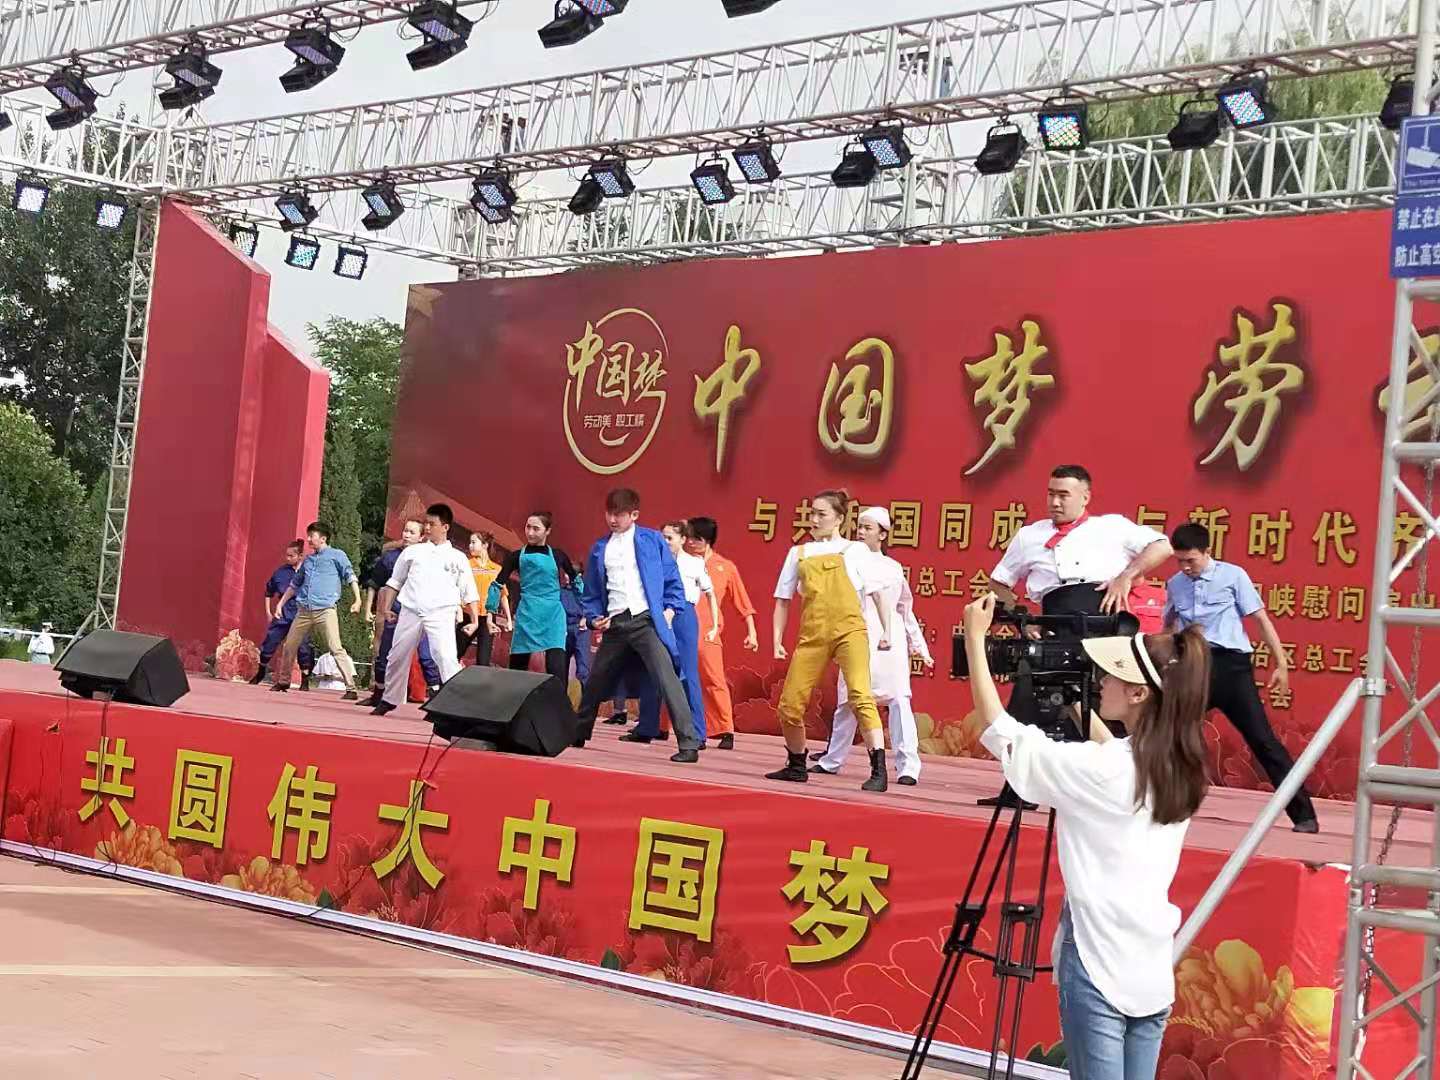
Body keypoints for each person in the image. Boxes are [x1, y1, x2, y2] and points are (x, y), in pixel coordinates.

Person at [963, 591, 1211, 1080]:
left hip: (1098, 959)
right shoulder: (1179, 765)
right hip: (1148, 964)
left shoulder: (1106, 771)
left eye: (1114, 674)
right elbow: (1115, 760)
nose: (1101, 680)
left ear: (1139, 694)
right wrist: (1077, 707)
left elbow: (1001, 732)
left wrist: (975, 640)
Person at [1166, 523, 1319, 833]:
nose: (1185, 567)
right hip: (1193, 666)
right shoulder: (1175, 584)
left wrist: (1281, 663)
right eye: (1179, 561)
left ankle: (1304, 815)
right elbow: (1169, 627)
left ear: (1207, 552)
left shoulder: (1233, 576)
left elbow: (1260, 619)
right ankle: (1166, 806)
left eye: (1191, 560)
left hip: (1232, 669)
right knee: (1170, 736)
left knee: (1263, 741)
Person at [766, 489, 891, 792]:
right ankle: (797, 764)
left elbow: (877, 594)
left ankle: (879, 769)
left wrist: (887, 630)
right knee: (789, 705)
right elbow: (783, 599)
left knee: (860, 695)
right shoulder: (799, 553)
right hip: (813, 635)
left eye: (821, 514)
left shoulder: (855, 550)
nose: (814, 519)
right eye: (812, 513)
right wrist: (777, 639)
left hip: (850, 631)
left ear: (839, 519)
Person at [575, 488, 703, 763]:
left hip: (645, 620)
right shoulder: (600, 548)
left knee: (667, 678)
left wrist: (670, 610)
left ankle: (689, 743)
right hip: (615, 623)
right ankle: (578, 732)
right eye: (609, 513)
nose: (613, 519)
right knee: (596, 680)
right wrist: (594, 616)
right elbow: (592, 592)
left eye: (619, 514)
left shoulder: (652, 540)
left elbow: (671, 578)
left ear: (634, 514)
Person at [811, 506, 933, 785]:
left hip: (890, 641)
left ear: (882, 534)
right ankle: (832, 760)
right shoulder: (848, 561)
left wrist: (920, 646)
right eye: (860, 527)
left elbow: (905, 609)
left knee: (899, 701)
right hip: (857, 634)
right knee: (848, 701)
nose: (861, 532)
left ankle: (908, 766)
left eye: (868, 528)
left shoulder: (893, 567)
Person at [990, 465, 1172, 617]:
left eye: (1063, 495)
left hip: (1108, 622)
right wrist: (1024, 620)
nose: (1055, 502)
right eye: (1051, 494)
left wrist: (1125, 577)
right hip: (1054, 623)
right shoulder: (1029, 535)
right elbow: (998, 582)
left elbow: (1162, 546)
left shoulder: (1112, 525)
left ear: (1085, 498)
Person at [372, 503, 481, 716]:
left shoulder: (457, 557)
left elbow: (469, 591)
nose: (428, 528)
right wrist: (386, 608)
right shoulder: (412, 552)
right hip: (411, 609)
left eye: (432, 524)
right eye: (426, 523)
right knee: (397, 654)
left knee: (445, 657)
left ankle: (453, 704)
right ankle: (390, 698)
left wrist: (475, 620)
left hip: (442, 612)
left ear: (445, 527)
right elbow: (395, 581)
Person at [626, 522, 718, 744]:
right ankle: (647, 727)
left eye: (670, 538)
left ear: (683, 539)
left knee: (687, 674)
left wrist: (715, 626)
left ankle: (697, 733)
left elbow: (710, 593)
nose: (666, 542)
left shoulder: (694, 563)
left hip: (683, 617)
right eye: (663, 537)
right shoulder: (653, 561)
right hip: (657, 615)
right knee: (651, 670)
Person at [685, 516, 760, 750]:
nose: (689, 542)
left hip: (709, 630)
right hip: (682, 627)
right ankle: (666, 725)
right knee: (677, 677)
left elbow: (742, 602)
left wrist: (752, 632)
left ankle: (725, 729)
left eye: (694, 538)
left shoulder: (725, 567)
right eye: (687, 538)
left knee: (714, 679)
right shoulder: (682, 563)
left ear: (705, 540)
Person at [270, 522, 363, 699]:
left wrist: (357, 599)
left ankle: (351, 688)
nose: (309, 539)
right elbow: (294, 585)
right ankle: (283, 681)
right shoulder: (308, 561)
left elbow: (351, 576)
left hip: (325, 610)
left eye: (312, 536)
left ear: (323, 538)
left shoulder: (337, 556)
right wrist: (280, 604)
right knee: (290, 645)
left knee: (335, 647)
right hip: (304, 610)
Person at [358, 519, 441, 708]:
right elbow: (375, 583)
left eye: (412, 532)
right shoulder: (390, 557)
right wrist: (368, 608)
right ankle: (378, 694)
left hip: (420, 613)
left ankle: (436, 698)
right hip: (395, 612)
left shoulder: (431, 557)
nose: (406, 535)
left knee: (426, 657)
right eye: (405, 531)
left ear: (422, 537)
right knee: (384, 655)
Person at [494, 512, 579, 682]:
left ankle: (557, 700)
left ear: (548, 531)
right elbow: (498, 584)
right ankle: (514, 699)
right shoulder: (516, 556)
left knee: (556, 669)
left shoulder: (559, 555)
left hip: (553, 616)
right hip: (527, 614)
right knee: (517, 668)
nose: (530, 532)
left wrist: (590, 611)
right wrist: (490, 613)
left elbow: (577, 583)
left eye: (536, 528)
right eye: (528, 527)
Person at [251, 540, 316, 689]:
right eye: (286, 555)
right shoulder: (281, 572)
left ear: (300, 556)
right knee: (270, 641)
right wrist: (268, 612)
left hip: (302, 613)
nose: (288, 558)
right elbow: (268, 592)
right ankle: (261, 671)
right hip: (283, 612)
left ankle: (305, 679)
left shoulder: (310, 573)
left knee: (303, 647)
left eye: (291, 556)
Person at [457, 532, 510, 668]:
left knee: (483, 661)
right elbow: (458, 590)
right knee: (455, 653)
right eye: (470, 543)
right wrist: (459, 611)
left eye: (474, 542)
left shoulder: (496, 569)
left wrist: (509, 619)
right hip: (468, 615)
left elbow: (503, 595)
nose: (470, 546)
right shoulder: (467, 565)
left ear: (485, 545)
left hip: (488, 619)